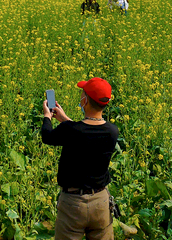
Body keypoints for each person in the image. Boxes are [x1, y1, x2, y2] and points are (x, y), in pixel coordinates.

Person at [41, 77, 120, 240]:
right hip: (100, 203)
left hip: (73, 205)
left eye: (82, 94)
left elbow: (47, 136)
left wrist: (47, 116)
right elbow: (85, 133)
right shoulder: (112, 131)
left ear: (85, 100)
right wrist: (65, 119)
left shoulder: (70, 130)